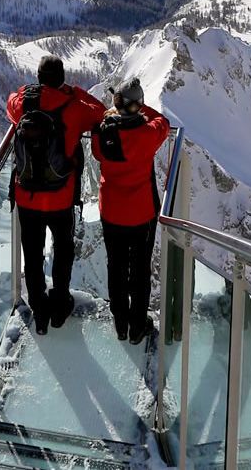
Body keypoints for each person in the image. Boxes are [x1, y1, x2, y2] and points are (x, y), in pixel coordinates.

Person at [7, 56, 106, 335]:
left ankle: (39, 311)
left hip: (27, 198)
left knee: (33, 254)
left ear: (39, 78)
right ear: (61, 78)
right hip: (61, 198)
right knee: (63, 252)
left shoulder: (23, 105)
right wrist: (72, 91)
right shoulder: (73, 108)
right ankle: (60, 305)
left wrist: (30, 92)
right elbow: (100, 112)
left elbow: (10, 100)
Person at [92, 79, 170, 344]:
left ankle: (120, 324)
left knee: (116, 267)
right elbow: (163, 122)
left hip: (111, 212)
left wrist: (114, 113)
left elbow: (96, 151)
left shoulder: (102, 133)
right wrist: (140, 108)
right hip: (141, 214)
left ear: (116, 104)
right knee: (139, 271)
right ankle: (138, 327)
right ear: (137, 105)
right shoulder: (148, 135)